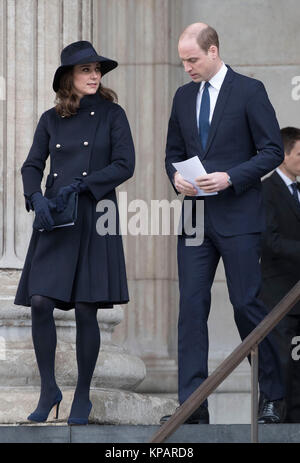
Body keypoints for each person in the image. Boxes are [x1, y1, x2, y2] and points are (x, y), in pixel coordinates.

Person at [161, 22, 286, 425]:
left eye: (192, 59)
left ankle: (273, 396)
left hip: (239, 216)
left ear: (213, 51)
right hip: (196, 217)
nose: (187, 68)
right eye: (183, 61)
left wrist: (231, 176)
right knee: (191, 309)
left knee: (245, 304)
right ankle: (193, 405)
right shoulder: (182, 97)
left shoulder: (250, 91)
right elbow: (172, 153)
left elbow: (271, 152)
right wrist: (175, 177)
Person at [14, 41, 135, 425]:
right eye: (86, 70)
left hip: (96, 212)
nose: (94, 75)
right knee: (39, 302)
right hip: (56, 215)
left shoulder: (113, 114)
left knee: (86, 308)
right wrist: (36, 197)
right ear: (69, 77)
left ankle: (81, 395)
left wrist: (84, 184)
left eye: (97, 69)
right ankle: (49, 389)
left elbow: (124, 164)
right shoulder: (50, 119)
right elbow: (32, 164)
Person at [260, 127, 300, 423]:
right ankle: (278, 419)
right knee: (281, 358)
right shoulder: (266, 190)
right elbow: (269, 241)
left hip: (297, 291)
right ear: (285, 154)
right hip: (278, 294)